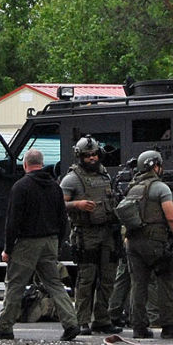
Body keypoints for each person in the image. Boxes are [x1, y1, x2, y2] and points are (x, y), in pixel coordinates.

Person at [0, 148, 81, 341]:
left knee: (15, 284)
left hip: (27, 243)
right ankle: (71, 323)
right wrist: (59, 241)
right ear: (42, 163)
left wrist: (8, 248)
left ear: (26, 164)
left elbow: (13, 221)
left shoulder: (21, 186)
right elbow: (63, 218)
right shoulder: (55, 187)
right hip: (50, 241)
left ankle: (5, 326)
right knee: (54, 283)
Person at [123, 150, 173, 340]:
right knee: (166, 281)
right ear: (155, 166)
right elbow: (171, 217)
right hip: (156, 242)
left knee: (138, 285)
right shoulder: (160, 188)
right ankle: (169, 326)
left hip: (134, 243)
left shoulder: (133, 187)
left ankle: (139, 328)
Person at [60, 136, 119, 333]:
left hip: (106, 232)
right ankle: (82, 320)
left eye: (94, 154)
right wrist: (77, 204)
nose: (92, 158)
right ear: (80, 157)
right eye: (87, 155)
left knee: (108, 277)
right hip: (86, 233)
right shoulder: (72, 179)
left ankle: (102, 319)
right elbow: (59, 204)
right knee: (87, 278)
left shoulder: (104, 175)